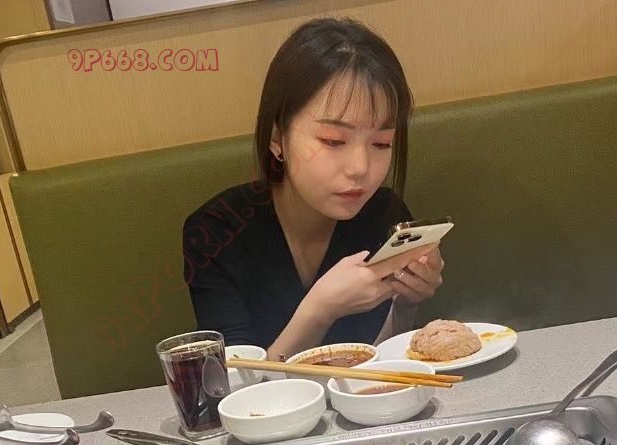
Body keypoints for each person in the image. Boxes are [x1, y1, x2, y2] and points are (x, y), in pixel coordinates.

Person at [183, 17, 444, 360]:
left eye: (381, 143)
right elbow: (236, 383)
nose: (361, 168)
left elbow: (381, 360)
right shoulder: (217, 232)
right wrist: (319, 310)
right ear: (277, 138)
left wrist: (407, 302)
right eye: (333, 141)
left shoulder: (385, 215)